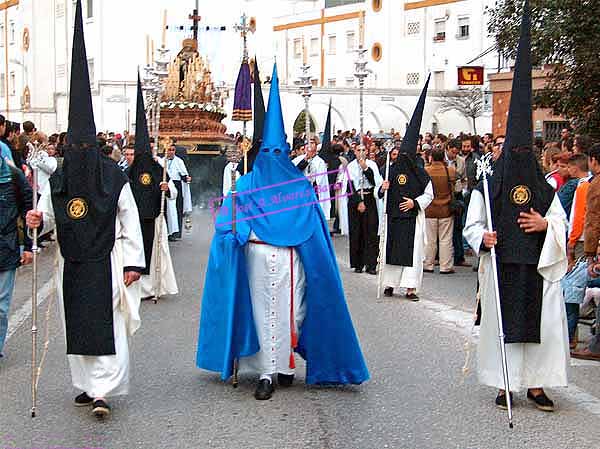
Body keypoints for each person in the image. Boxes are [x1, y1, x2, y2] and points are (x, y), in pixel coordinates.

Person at [196, 64, 369, 401]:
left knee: (294, 311)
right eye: (268, 152)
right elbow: (228, 219)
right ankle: (266, 372)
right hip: (257, 257)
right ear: (261, 153)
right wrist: (235, 232)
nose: (274, 158)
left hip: (293, 261)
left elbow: (313, 227)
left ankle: (286, 364)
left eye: (279, 151)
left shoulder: (299, 187)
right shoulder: (245, 183)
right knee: (262, 312)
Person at [25, 0, 145, 419]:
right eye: (72, 148)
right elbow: (48, 211)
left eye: (84, 147)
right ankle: (85, 384)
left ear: (93, 146)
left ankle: (104, 391)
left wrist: (133, 263)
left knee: (107, 325)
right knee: (74, 322)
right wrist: (37, 220)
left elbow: (128, 218)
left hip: (108, 261)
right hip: (70, 261)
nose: (78, 153)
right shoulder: (60, 178)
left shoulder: (113, 176)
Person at [464, 2, 568, 412]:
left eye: (528, 150)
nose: (522, 155)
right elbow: (473, 222)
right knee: (503, 325)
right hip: (503, 262)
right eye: (517, 149)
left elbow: (560, 221)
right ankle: (504, 382)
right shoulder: (491, 182)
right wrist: (482, 237)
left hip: (537, 268)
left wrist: (546, 225)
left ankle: (537, 386)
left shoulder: (544, 188)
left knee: (542, 325)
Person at [379, 76, 433, 300]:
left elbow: (430, 194)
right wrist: (383, 188)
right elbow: (380, 193)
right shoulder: (390, 169)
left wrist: (415, 203)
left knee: (412, 254)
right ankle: (390, 284)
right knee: (392, 251)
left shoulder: (421, 173)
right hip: (394, 218)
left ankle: (410, 288)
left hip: (411, 218)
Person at [126, 74, 178, 301]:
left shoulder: (160, 168)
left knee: (154, 254)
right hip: (134, 221)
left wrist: (167, 188)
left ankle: (153, 288)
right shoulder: (127, 173)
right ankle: (137, 287)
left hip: (154, 219)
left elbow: (173, 191)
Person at [0, 152, 33, 358]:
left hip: (7, 246)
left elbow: (29, 210)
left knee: (1, 306)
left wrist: (29, 246)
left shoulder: (13, 175)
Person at [571, 144, 600, 361]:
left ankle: (596, 345)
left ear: (594, 161)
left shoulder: (595, 185)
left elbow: (592, 220)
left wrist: (590, 253)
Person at [345, 143, 383, 274]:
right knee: (357, 231)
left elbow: (375, 182)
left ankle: (371, 264)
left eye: (363, 150)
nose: (361, 152)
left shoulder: (372, 164)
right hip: (356, 199)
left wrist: (366, 169)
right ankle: (358, 263)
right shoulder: (350, 167)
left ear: (367, 151)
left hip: (369, 198)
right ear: (354, 152)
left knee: (371, 231)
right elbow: (349, 186)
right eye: (358, 150)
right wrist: (358, 202)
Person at [424, 149, 456, 274]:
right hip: (446, 209)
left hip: (430, 210)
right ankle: (445, 266)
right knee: (446, 239)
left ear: (431, 157)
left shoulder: (426, 171)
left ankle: (428, 264)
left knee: (430, 240)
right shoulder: (450, 171)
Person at [293, 136, 331, 219]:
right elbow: (294, 173)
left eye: (312, 143)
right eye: (307, 143)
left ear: (316, 146)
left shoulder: (320, 162)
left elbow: (320, 180)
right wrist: (306, 160)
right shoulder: (298, 160)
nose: (309, 145)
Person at [160, 143, 191, 241]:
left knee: (176, 211)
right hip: (165, 186)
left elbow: (183, 174)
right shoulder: (161, 161)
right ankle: (165, 232)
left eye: (173, 150)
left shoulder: (179, 161)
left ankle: (175, 233)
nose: (171, 152)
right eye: (169, 149)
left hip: (176, 187)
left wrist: (187, 178)